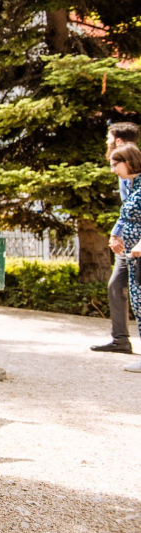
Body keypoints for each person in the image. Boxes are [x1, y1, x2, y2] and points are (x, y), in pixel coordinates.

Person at [93, 122, 140, 354]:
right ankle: (120, 339)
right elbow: (126, 210)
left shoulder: (132, 171)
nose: (107, 142)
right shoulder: (123, 171)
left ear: (119, 141)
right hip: (127, 243)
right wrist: (116, 233)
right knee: (116, 286)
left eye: (108, 138)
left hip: (138, 245)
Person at [107, 144, 141, 372]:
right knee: (138, 304)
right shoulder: (131, 185)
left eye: (115, 164)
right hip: (132, 256)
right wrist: (116, 234)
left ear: (128, 161)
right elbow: (125, 215)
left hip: (139, 254)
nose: (113, 170)